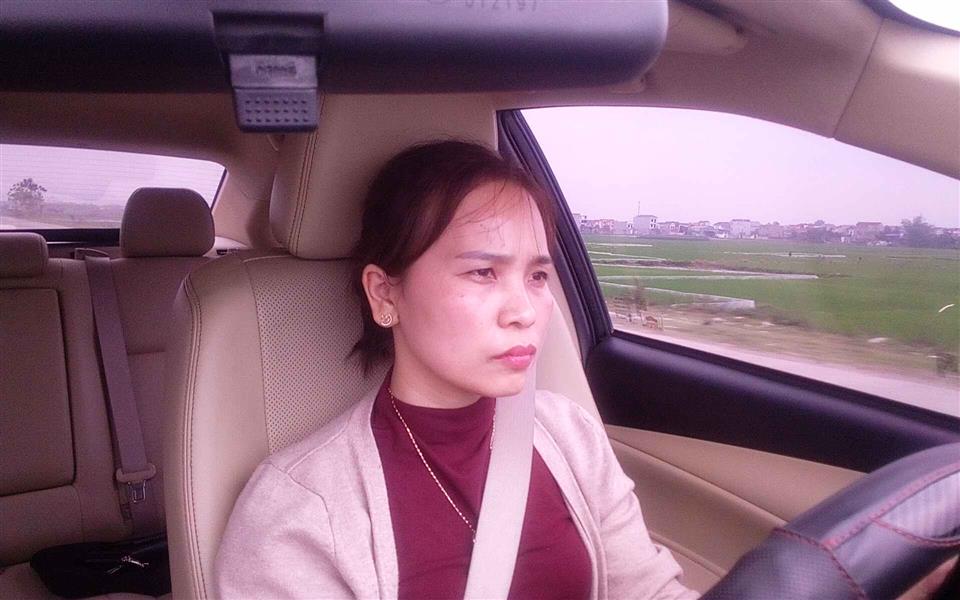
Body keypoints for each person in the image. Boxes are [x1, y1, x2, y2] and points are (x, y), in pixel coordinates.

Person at [214, 140, 698, 599]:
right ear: (384, 293)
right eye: (483, 272)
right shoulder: (299, 508)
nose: (525, 311)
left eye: (537, 276)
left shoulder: (571, 434)